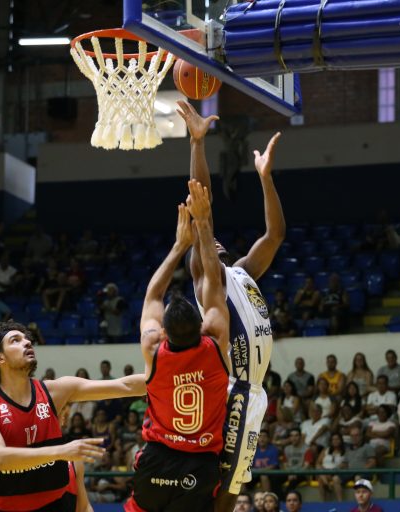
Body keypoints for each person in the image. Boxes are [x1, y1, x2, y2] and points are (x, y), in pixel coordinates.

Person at [178, 101, 285, 512]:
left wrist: (266, 178)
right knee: (225, 484)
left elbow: (275, 235)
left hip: (254, 390)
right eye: (208, 240)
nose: (214, 241)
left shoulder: (242, 272)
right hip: (234, 387)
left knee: (236, 481)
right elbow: (201, 206)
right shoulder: (208, 277)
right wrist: (197, 143)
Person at [0, 321, 147, 511]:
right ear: (0, 358)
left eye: (27, 339)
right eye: (15, 340)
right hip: (1, 508)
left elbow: (126, 386)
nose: (27, 342)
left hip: (53, 505)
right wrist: (62, 451)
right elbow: (0, 458)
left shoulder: (55, 391)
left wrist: (164, 373)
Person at [125, 186, 231, 512]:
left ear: (163, 332)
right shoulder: (215, 340)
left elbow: (153, 296)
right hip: (201, 463)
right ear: (201, 327)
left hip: (159, 457)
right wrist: (204, 225)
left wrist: (180, 245)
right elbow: (214, 283)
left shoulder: (153, 347)